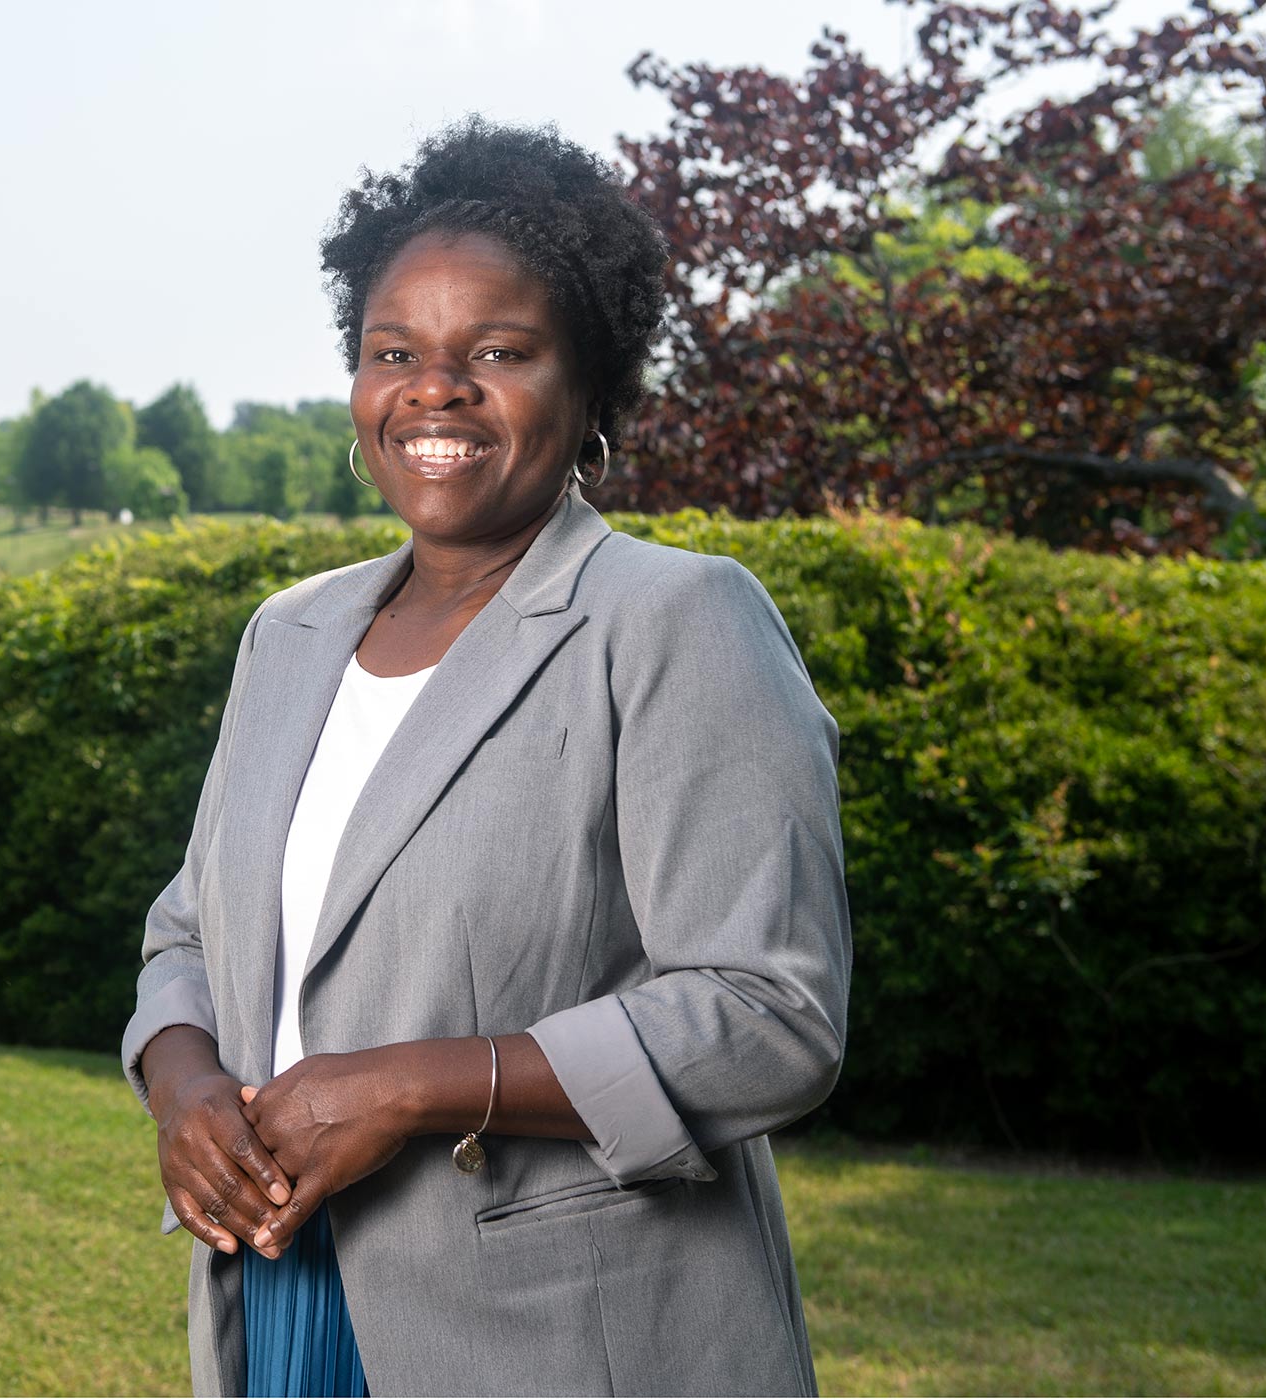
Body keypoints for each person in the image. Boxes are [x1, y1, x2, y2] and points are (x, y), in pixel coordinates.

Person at [120, 118, 852, 1397]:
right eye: (393, 351)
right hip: (284, 1286)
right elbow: (188, 933)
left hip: (558, 1333)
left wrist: (406, 1087)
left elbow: (770, 1015)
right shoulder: (287, 636)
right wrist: (183, 1091)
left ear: (590, 390)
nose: (434, 390)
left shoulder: (674, 619)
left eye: (497, 353)